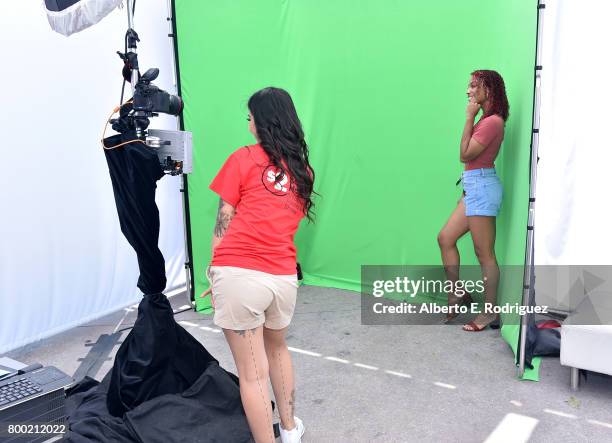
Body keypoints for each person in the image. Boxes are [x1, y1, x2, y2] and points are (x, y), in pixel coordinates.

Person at [201, 87, 314, 442]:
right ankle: (291, 430)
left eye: (251, 117)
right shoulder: (303, 170)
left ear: (264, 121)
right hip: (282, 279)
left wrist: (214, 272)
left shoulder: (242, 159)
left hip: (239, 275)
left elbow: (224, 220)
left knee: (252, 374)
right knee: (278, 349)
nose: (248, 123)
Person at [437, 70, 509, 332]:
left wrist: (469, 116)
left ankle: (490, 312)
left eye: (473, 86)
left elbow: (465, 154)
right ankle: (458, 293)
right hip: (473, 186)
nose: (468, 91)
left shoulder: (492, 122)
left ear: (487, 90)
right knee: (445, 238)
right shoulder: (485, 120)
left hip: (482, 187)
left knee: (484, 254)